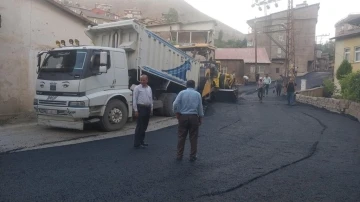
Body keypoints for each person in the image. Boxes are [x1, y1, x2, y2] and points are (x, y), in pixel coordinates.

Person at [173, 80, 204, 162]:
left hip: (183, 116)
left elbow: (175, 104)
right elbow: (200, 107)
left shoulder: (181, 93)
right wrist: (200, 117)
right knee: (193, 137)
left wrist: (177, 113)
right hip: (194, 117)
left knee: (181, 137)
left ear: (186, 85)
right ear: (194, 86)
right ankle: (192, 156)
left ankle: (179, 155)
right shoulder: (197, 94)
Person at [133, 75, 153, 149]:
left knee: (145, 126)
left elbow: (150, 98)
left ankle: (142, 141)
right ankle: (136, 143)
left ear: (147, 80)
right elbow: (134, 99)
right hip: (141, 108)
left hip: (147, 108)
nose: (142, 82)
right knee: (139, 126)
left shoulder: (149, 88)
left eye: (144, 80)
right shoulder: (137, 88)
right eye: (141, 80)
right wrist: (136, 110)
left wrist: (151, 108)